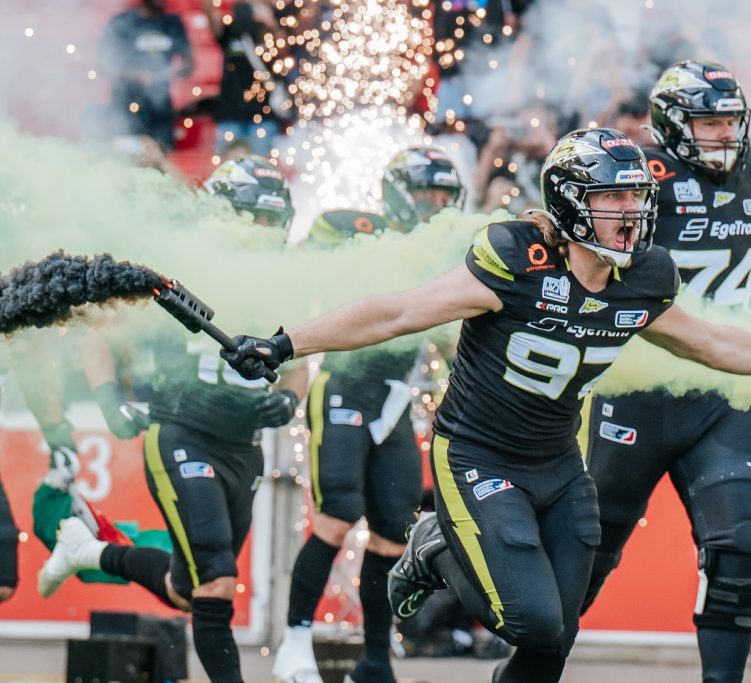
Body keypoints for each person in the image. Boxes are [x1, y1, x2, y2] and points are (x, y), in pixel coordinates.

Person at [219, 127, 751, 683]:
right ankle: (434, 546)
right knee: (529, 617)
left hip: (559, 463)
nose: (631, 211)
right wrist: (285, 343)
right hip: (478, 452)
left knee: (554, 637)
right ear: (570, 201)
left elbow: (710, 342)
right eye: (613, 195)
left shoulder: (643, 275)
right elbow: (398, 311)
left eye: (637, 196)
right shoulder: (514, 257)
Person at [37, 156, 299, 683]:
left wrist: (289, 401)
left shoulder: (281, 280)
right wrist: (110, 400)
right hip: (182, 433)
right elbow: (99, 336)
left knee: (189, 588)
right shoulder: (184, 265)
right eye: (258, 219)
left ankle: (90, 551)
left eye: (274, 220)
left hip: (242, 446)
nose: (267, 232)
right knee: (217, 582)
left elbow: (303, 360)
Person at [579, 60, 751, 683]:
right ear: (671, 124)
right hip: (637, 385)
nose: (723, 135)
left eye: (729, 121)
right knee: (585, 557)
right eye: (708, 122)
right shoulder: (637, 177)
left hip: (721, 389)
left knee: (741, 550)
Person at [274, 147, 465, 683]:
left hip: (394, 399)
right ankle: (294, 644)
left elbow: (450, 334)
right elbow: (312, 266)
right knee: (338, 515)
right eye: (428, 194)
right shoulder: (355, 227)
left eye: (445, 198)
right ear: (401, 195)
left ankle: (376, 660)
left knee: (390, 532)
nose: (437, 207)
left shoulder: (440, 254)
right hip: (343, 384)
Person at [98, 0, 194, 150]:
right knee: (125, 157)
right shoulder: (122, 23)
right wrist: (134, 75)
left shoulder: (172, 23)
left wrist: (162, 74)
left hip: (160, 110)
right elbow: (104, 63)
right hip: (125, 107)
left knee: (162, 155)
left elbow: (188, 64)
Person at [203, 0, 283, 156]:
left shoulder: (268, 34)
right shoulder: (229, 33)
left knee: (260, 168)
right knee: (228, 171)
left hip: (263, 115)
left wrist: (270, 23)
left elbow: (284, 51)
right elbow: (211, 15)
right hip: (230, 113)